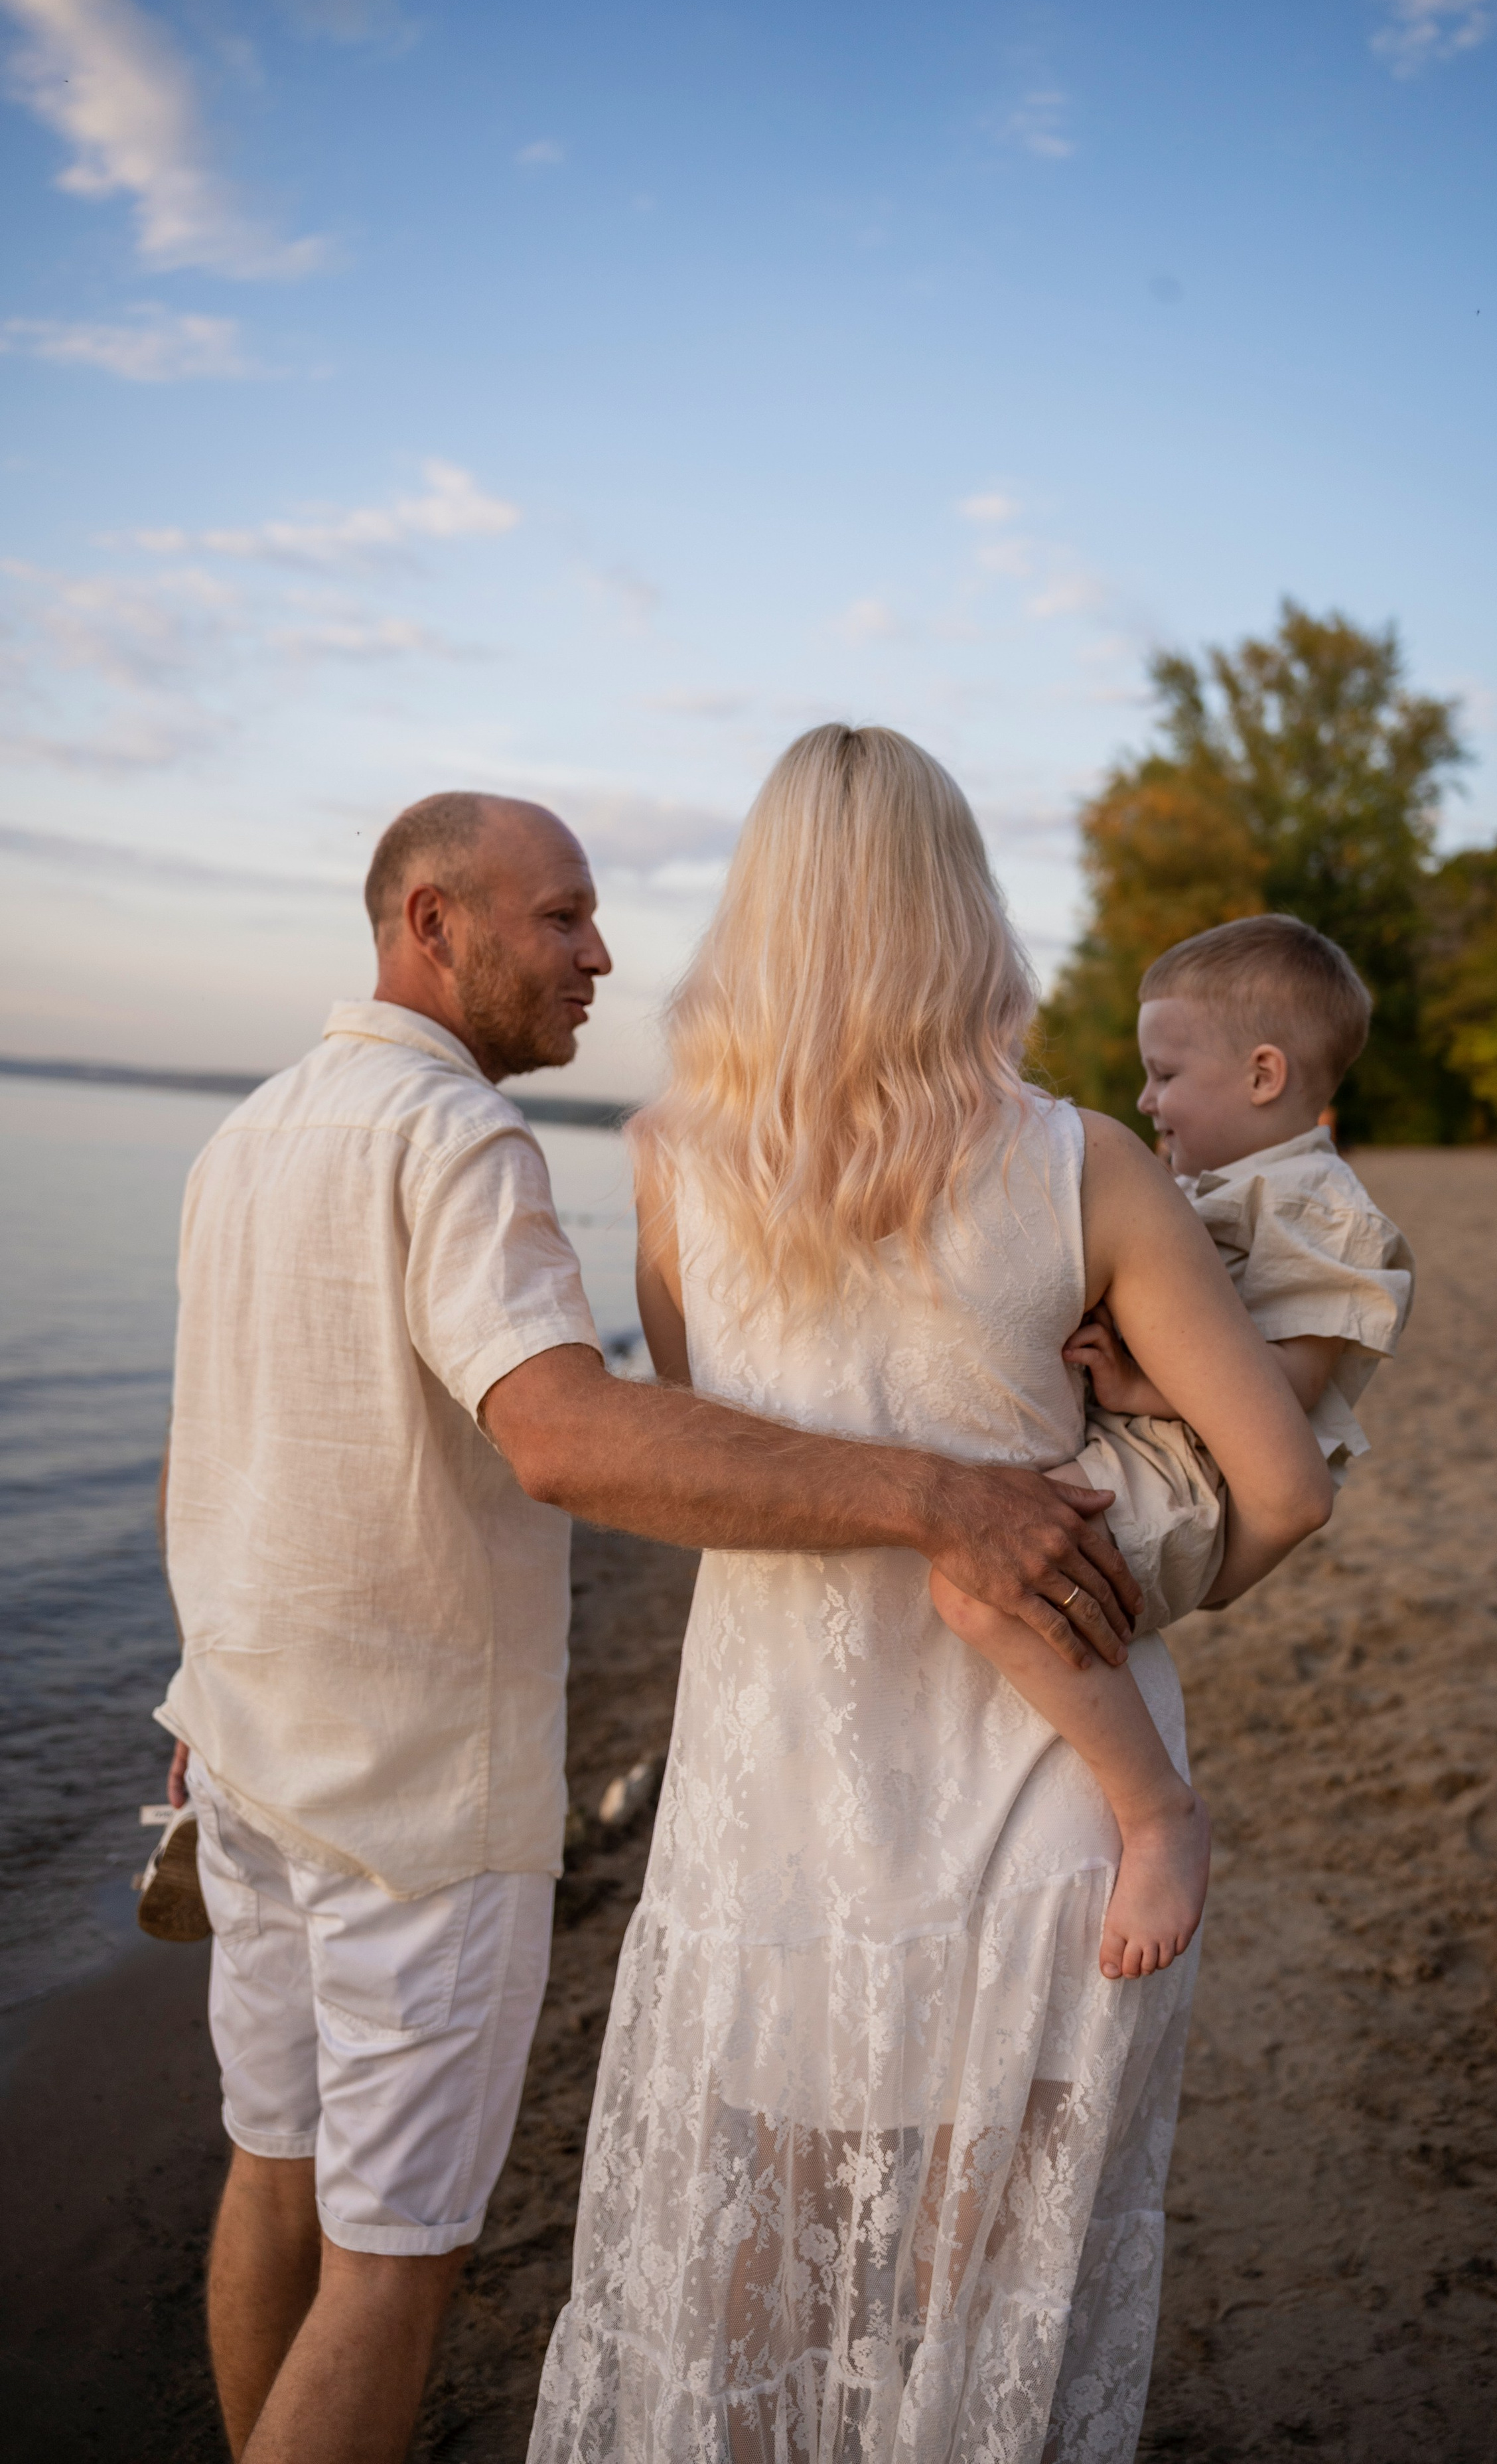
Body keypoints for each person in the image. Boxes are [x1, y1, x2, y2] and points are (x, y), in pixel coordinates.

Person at [155, 790, 1145, 2464]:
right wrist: (934, 1492)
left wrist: (190, 1692)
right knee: (392, 2266)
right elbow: (563, 1433)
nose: (599, 954)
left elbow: (219, 1446)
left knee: (276, 2169)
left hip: (240, 1753)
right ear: (430, 924)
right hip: (409, 1801)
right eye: (559, 918)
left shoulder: (248, 1132)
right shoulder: (454, 1136)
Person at [528, 728, 1332, 2464]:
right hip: (1056, 1827)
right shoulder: (1088, 1161)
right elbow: (1282, 1486)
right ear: (963, 909)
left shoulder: (671, 1156)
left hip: (776, 1824)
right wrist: (1123, 1606)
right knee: (976, 2338)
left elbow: (720, 1469)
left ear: (765, 912)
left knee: (771, 2323)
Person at [929, 913, 1415, 1984]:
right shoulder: (1207, 1190)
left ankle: (1159, 1815)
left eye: (1164, 1073)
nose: (1145, 1101)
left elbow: (1280, 1398)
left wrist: (1138, 1377)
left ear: (1262, 1073)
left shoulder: (1328, 1218)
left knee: (981, 1584)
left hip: (1192, 1483)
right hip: (1149, 1456)